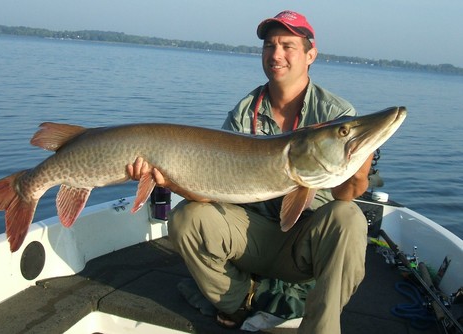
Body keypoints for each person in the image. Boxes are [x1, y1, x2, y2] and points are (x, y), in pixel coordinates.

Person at [128, 10, 372, 334]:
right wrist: (169, 178)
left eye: (288, 46)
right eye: (270, 46)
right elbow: (208, 188)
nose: (276, 55)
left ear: (311, 54)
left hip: (305, 243)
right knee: (186, 218)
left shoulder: (337, 115)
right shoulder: (245, 111)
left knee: (350, 217)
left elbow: (344, 194)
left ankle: (320, 328)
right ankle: (241, 303)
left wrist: (357, 177)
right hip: (251, 235)